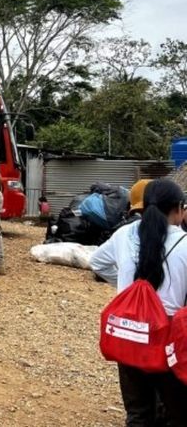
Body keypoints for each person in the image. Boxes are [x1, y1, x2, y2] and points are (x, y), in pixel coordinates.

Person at [89, 179, 187, 425]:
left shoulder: (124, 234)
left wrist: (129, 292)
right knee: (175, 414)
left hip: (129, 335)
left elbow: (97, 262)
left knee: (138, 414)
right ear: (177, 208)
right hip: (166, 340)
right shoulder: (185, 243)